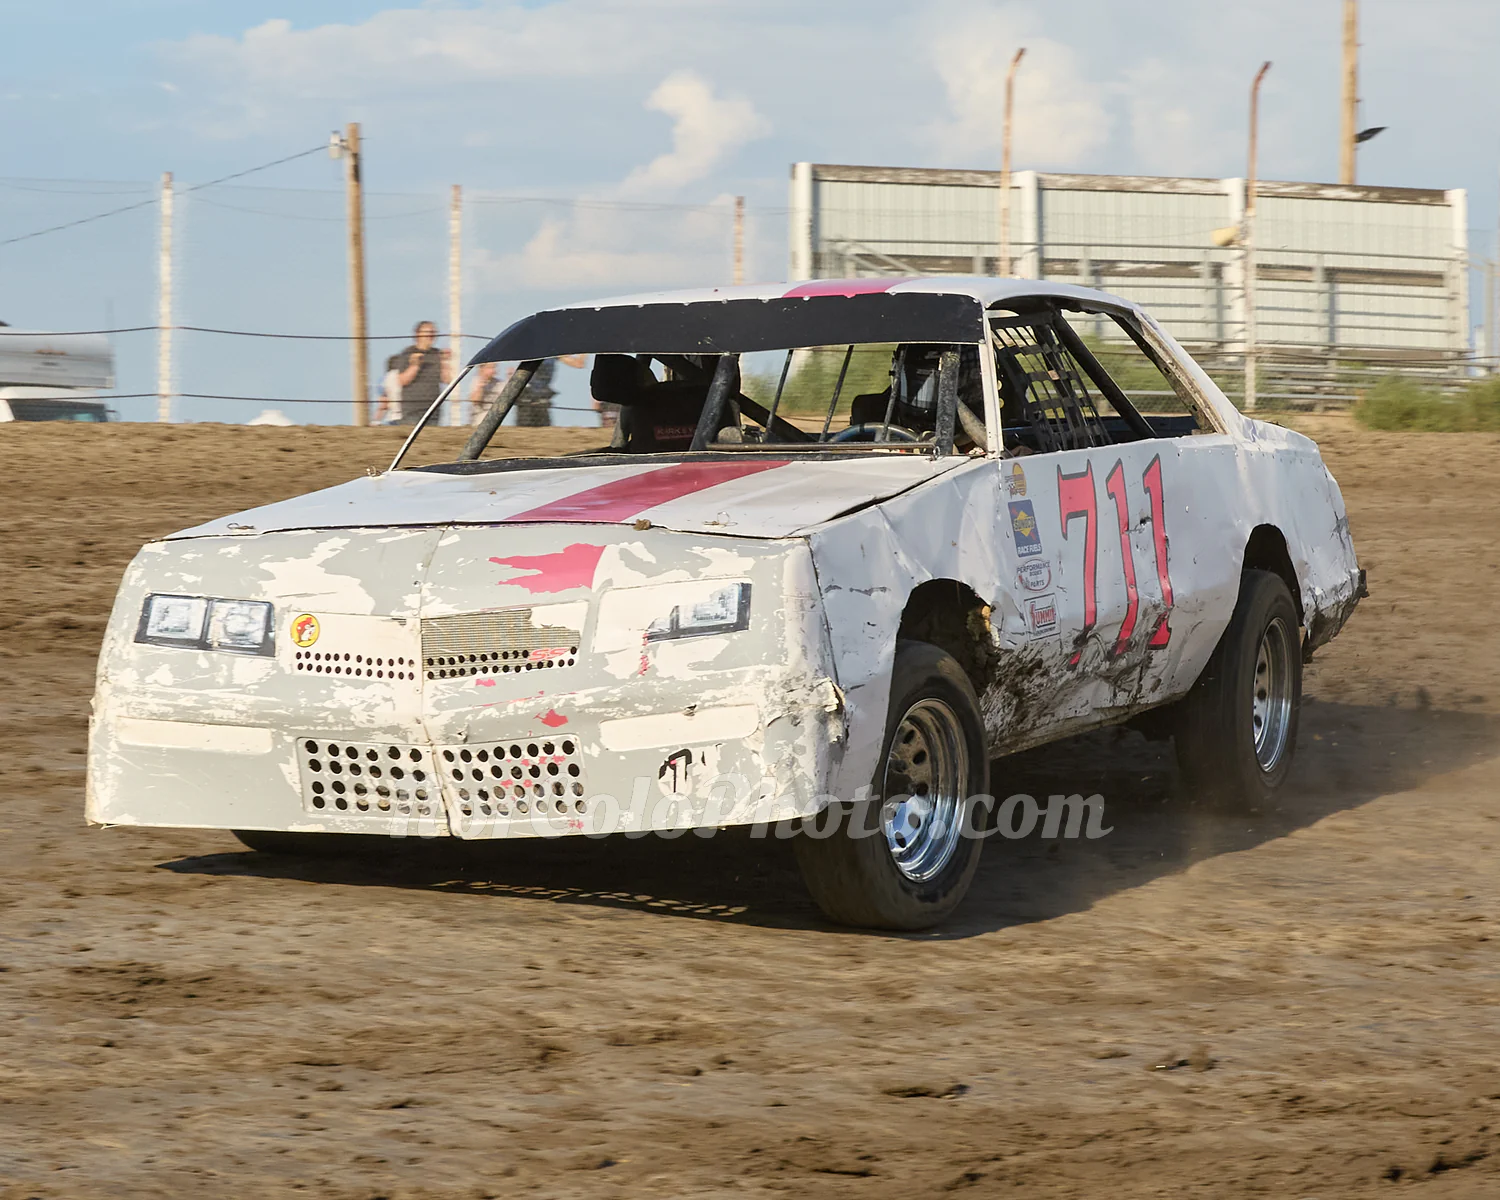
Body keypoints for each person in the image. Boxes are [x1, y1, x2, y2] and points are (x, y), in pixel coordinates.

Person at [393, 321, 450, 425]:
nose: (431, 336)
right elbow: (402, 381)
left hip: (433, 410)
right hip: (413, 411)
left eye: (433, 332)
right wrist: (415, 365)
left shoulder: (437, 354)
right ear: (418, 334)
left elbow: (447, 380)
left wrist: (445, 361)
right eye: (428, 332)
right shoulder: (408, 353)